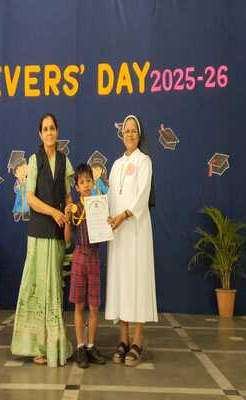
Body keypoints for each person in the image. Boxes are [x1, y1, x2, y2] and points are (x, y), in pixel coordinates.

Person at [11, 113, 73, 367]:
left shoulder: (65, 161)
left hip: (57, 234)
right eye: (45, 129)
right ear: (40, 134)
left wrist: (68, 210)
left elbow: (67, 196)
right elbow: (30, 199)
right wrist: (54, 213)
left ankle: (54, 345)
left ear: (57, 132)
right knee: (36, 287)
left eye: (52, 128)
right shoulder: (34, 160)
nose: (49, 132)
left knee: (54, 288)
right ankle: (36, 346)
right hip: (38, 233)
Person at [105, 114, 158, 367]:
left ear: (139, 134)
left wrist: (124, 215)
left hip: (136, 231)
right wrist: (105, 216)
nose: (129, 134)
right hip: (118, 234)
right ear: (121, 135)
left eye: (133, 130)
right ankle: (123, 340)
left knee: (137, 282)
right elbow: (110, 197)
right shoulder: (116, 165)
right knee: (121, 284)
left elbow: (142, 196)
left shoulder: (144, 161)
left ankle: (138, 341)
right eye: (126, 130)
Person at [64, 164, 106, 368]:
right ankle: (80, 346)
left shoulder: (101, 206)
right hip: (80, 256)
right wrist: (66, 219)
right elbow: (67, 239)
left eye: (89, 181)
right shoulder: (75, 209)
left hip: (95, 258)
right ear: (77, 187)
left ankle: (91, 345)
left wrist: (108, 223)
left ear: (94, 182)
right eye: (82, 182)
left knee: (94, 306)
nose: (86, 185)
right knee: (79, 305)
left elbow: (105, 235)